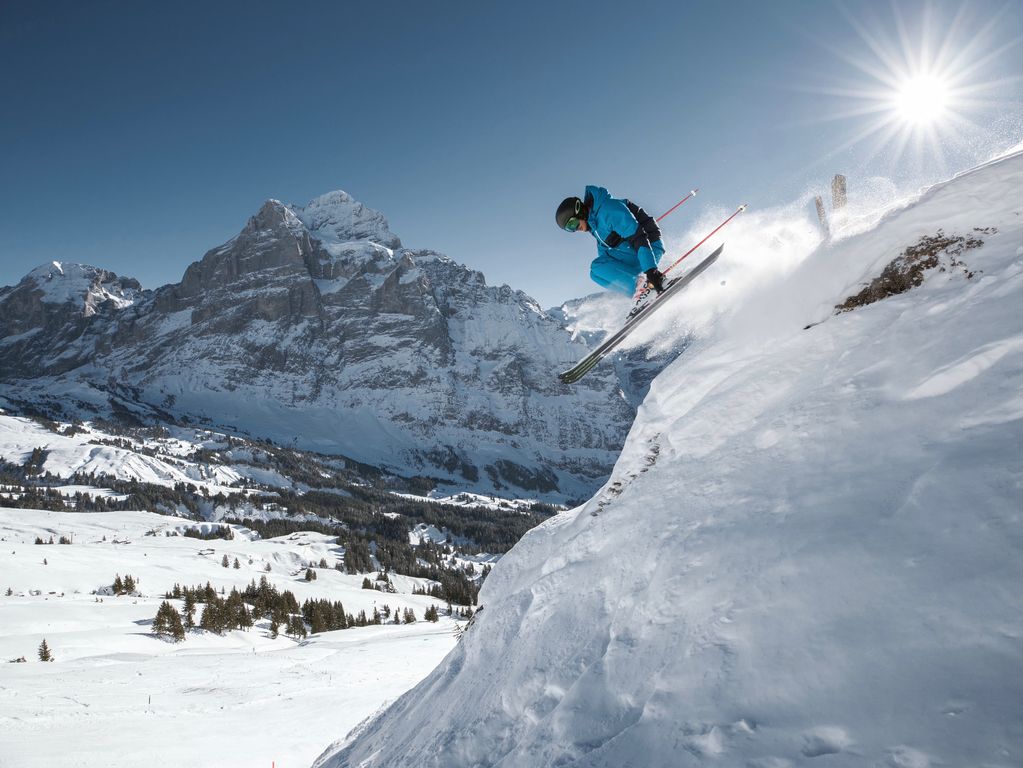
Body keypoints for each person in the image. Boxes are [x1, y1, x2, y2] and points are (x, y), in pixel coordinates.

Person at [556, 186, 667, 300]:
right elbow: (606, 258)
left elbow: (638, 237)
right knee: (595, 274)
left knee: (597, 266)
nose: (575, 229)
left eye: (572, 223)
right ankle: (639, 293)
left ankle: (642, 286)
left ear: (579, 211)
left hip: (650, 247)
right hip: (636, 254)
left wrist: (650, 270)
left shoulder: (608, 209)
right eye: (569, 229)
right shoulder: (595, 227)